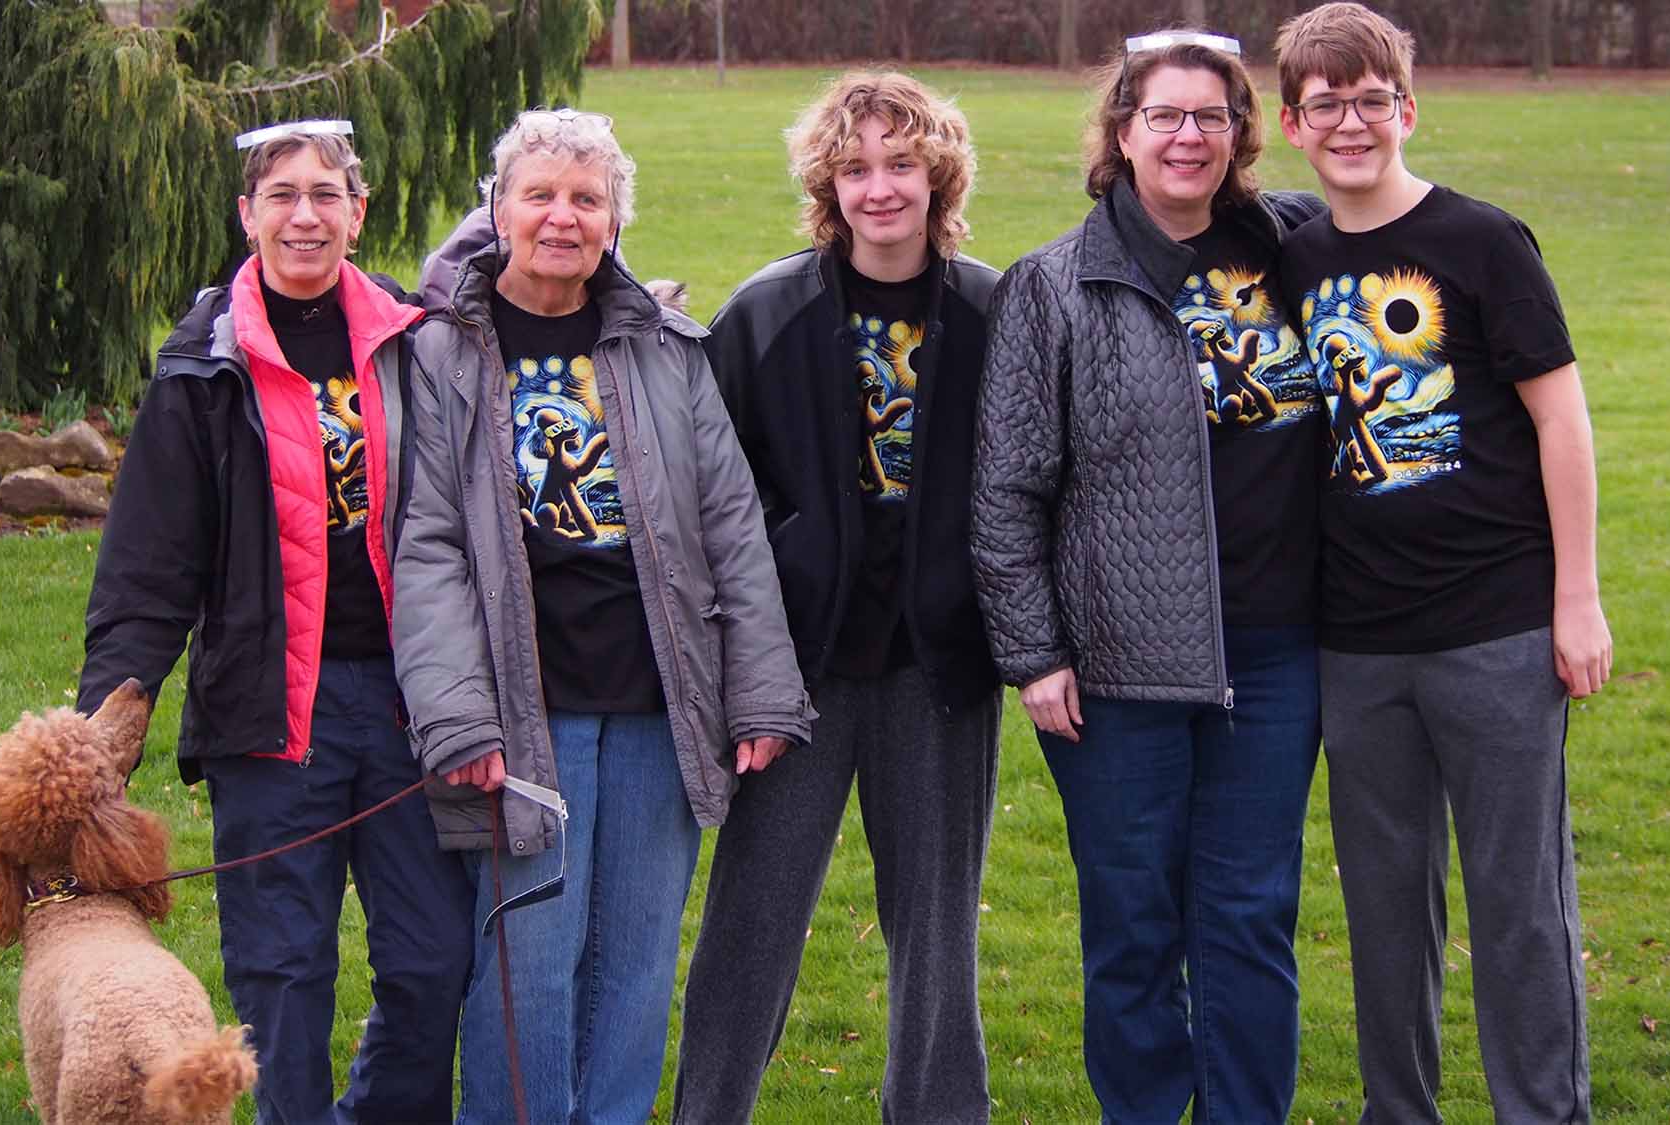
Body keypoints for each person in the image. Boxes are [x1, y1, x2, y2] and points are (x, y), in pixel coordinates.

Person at [390, 107, 814, 1125]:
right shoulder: (442, 353)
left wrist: (758, 692)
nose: (561, 217)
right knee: (525, 972)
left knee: (630, 968)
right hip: (519, 715)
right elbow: (427, 549)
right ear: (498, 210)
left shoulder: (664, 348)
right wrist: (457, 720)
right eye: (539, 194)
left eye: (586, 199)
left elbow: (732, 529)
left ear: (614, 220)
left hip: (658, 710)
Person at [78, 120, 475, 1125]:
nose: (305, 214)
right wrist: (101, 739)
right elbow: (146, 573)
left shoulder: (412, 342)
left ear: (359, 210)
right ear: (247, 213)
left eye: (325, 194)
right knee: (283, 980)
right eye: (282, 195)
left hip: (407, 709)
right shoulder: (202, 369)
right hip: (270, 720)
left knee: (434, 965)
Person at [972, 31, 1327, 1124]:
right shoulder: (1055, 285)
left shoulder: (1293, 253)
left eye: (1209, 118)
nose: (1187, 136)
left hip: (1273, 655)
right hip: (1116, 666)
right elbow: (1003, 491)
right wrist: (1032, 655)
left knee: (1249, 914)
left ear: (1239, 136)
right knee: (1131, 922)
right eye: (1163, 116)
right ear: (1121, 135)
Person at [1272, 4, 1611, 1120]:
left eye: (1371, 99)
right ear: (1291, 124)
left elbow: (1560, 422)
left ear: (1406, 110)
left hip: (1496, 630)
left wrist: (1576, 601)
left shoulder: (1479, 242)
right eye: (1326, 104)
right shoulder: (1294, 257)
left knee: (1518, 905)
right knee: (1380, 907)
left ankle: (1540, 1109)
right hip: (1356, 645)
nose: (1352, 121)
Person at [673, 72, 1003, 1125]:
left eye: (900, 164)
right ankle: (708, 1108)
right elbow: (707, 492)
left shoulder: (995, 310)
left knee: (937, 930)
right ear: (827, 181)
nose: (878, 188)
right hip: (795, 675)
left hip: (938, 671)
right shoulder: (769, 313)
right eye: (854, 168)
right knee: (750, 923)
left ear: (936, 174)